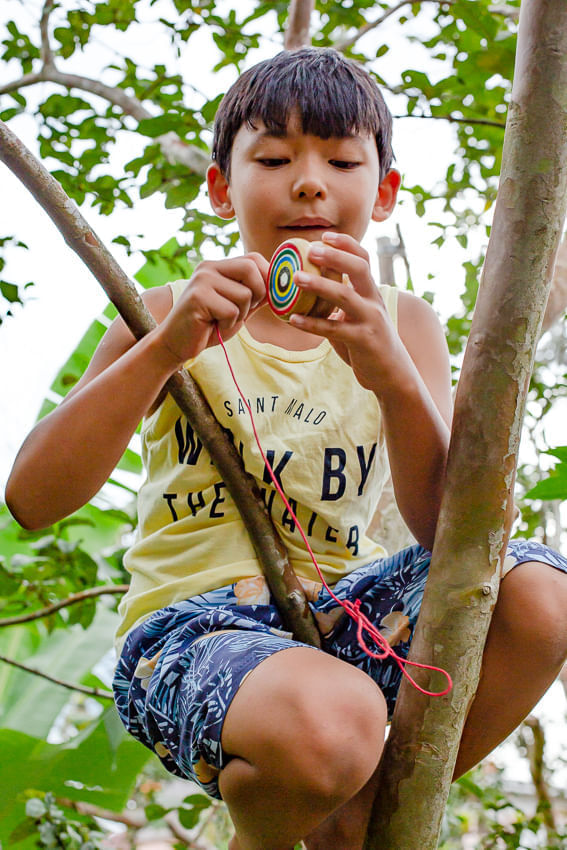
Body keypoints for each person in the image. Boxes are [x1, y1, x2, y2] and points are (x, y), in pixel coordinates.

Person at [6, 47, 567, 850]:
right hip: (191, 636)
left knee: (541, 595)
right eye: (272, 158)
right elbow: (33, 498)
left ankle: (357, 815)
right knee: (335, 718)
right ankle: (291, 817)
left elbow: (454, 538)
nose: (308, 182)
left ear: (381, 195)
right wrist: (164, 347)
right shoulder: (164, 310)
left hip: (349, 618)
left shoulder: (404, 326)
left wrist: (392, 376)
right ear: (219, 186)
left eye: (340, 160)